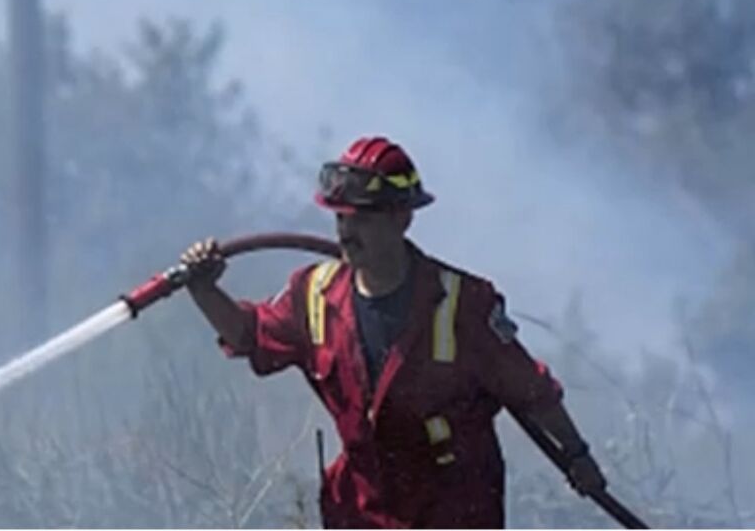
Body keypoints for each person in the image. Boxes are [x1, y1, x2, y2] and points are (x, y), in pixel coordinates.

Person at [180, 136, 605, 528]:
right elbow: (246, 335)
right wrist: (203, 290)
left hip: (454, 513)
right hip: (362, 514)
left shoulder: (463, 304)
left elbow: (531, 390)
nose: (346, 230)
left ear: (402, 218)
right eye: (340, 217)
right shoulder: (313, 296)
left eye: (361, 217)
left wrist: (576, 454)